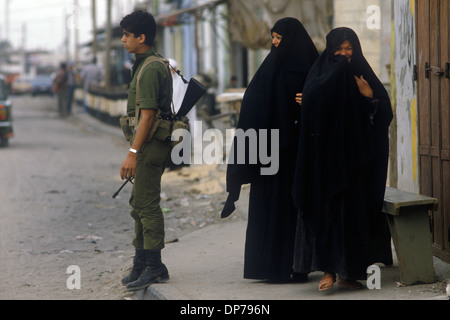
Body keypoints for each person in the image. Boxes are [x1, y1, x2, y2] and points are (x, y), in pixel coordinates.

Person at [292, 27, 393, 291]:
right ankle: (328, 272)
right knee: (326, 214)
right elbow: (311, 116)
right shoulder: (319, 73)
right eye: (340, 48)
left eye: (350, 49)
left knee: (352, 217)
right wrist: (310, 102)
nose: (345, 54)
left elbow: (384, 112)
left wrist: (369, 96)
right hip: (324, 163)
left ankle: (349, 273)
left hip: (355, 163)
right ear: (330, 48)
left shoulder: (363, 74)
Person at [221, 17, 319, 281]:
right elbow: (253, 109)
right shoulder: (271, 68)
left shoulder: (313, 67)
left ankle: (299, 267)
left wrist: (309, 101)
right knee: (272, 210)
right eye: (273, 37)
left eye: (279, 38)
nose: (275, 43)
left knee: (295, 211)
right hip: (271, 157)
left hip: (300, 156)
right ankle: (270, 268)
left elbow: (326, 103)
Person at [118, 10, 173, 291]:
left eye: (128, 35)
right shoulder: (142, 64)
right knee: (138, 203)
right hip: (145, 145)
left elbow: (148, 116)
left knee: (147, 205)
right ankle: (142, 262)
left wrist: (133, 152)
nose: (123, 40)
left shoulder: (150, 67)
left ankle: (155, 266)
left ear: (142, 37)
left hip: (150, 146)